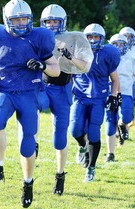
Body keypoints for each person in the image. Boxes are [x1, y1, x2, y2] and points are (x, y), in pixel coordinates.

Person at [0, 0, 60, 208]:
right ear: (6, 20)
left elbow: (56, 69)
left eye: (24, 18)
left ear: (30, 19)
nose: (20, 23)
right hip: (5, 90)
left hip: (28, 92)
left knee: (27, 143)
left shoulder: (39, 37)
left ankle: (27, 183)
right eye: (16, 19)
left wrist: (42, 65)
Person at [39, 4, 94, 191]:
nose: (52, 25)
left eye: (55, 21)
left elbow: (85, 67)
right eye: (48, 21)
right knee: (29, 109)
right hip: (42, 86)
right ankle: (33, 142)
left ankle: (60, 174)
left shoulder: (74, 38)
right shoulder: (38, 35)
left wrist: (70, 57)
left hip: (62, 89)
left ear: (62, 22)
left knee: (59, 136)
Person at [69, 23, 120, 182]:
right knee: (75, 130)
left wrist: (113, 96)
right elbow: (67, 74)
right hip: (80, 96)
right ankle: (82, 146)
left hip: (99, 98)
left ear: (102, 38)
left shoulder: (107, 54)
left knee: (94, 133)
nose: (92, 40)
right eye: (89, 36)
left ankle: (91, 168)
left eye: (96, 37)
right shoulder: (77, 51)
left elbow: (115, 79)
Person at [105, 33, 135, 161]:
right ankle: (110, 154)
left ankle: (122, 125)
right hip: (111, 93)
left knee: (127, 117)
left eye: (121, 44)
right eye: (115, 44)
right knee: (110, 123)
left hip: (127, 92)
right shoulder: (106, 57)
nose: (118, 47)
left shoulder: (132, 58)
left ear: (126, 45)